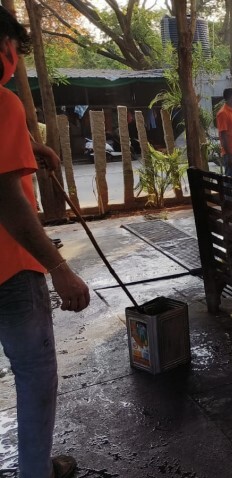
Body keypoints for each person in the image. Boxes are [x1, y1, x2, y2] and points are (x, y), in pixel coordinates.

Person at [0, 7, 89, 477]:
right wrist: (59, 267)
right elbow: (7, 200)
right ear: (4, 48)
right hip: (8, 269)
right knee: (34, 373)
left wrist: (27, 148)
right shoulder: (4, 103)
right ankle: (36, 470)